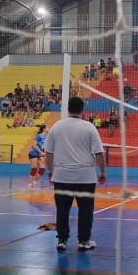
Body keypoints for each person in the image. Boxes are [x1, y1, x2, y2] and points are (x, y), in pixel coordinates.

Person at [46, 97, 105, 252]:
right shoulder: (89, 127)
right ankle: (83, 241)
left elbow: (48, 153)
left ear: (67, 109)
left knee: (62, 210)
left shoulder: (56, 126)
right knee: (86, 211)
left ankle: (62, 241)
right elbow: (99, 153)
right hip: (85, 177)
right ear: (82, 109)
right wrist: (102, 172)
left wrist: (51, 171)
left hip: (61, 176)